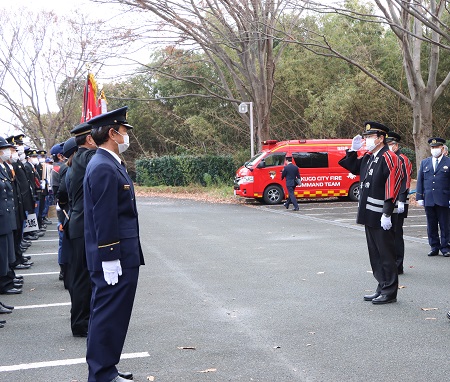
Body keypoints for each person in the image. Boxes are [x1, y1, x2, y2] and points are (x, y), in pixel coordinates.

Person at [84, 106, 144, 382]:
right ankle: (101, 374)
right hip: (114, 257)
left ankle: (107, 368)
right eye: (123, 131)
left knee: (114, 316)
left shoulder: (108, 163)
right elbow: (104, 215)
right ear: (112, 133)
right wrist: (109, 257)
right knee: (107, 316)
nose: (126, 136)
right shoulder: (103, 166)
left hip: (121, 254)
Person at [338, 121, 402, 305]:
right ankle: (381, 285)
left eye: (369, 137)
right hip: (369, 213)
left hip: (382, 215)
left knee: (386, 254)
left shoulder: (390, 157)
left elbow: (393, 186)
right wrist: (352, 150)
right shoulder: (369, 157)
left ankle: (390, 291)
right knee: (375, 254)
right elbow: (352, 167)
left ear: (381, 139)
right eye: (365, 137)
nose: (366, 140)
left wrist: (387, 213)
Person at [67, 121, 97, 337]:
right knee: (82, 277)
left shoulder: (79, 157)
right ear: (89, 139)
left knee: (82, 275)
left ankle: (83, 320)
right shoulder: (87, 157)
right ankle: (80, 323)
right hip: (83, 224)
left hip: (79, 222)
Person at [416, 137, 450, 257]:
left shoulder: (448, 162)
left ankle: (445, 247)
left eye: (436, 147)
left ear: (442, 148)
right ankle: (434, 246)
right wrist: (419, 196)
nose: (434, 149)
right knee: (431, 224)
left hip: (444, 198)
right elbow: (420, 180)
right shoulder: (425, 162)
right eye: (432, 147)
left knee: (445, 224)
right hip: (429, 198)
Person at [386, 132, 413, 274]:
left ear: (396, 146)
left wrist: (402, 199)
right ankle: (390, 263)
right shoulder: (387, 158)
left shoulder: (403, 159)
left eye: (391, 145)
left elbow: (406, 180)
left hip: (399, 201)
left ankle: (398, 265)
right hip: (388, 201)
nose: (389, 147)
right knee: (387, 234)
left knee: (396, 233)